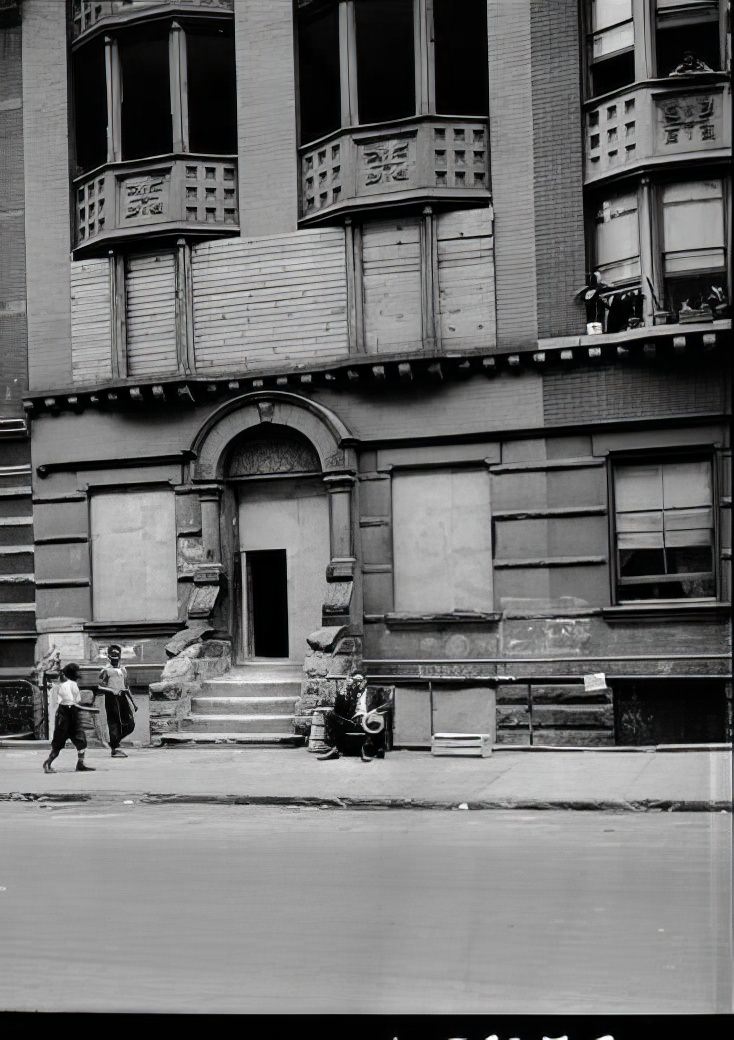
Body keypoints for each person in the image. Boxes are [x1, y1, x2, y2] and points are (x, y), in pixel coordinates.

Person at [317, 672, 391, 763]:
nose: (358, 683)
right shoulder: (352, 692)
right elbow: (339, 711)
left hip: (368, 721)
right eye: (355, 680)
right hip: (353, 722)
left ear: (365, 681)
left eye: (360, 680)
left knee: (376, 719)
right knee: (330, 715)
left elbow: (387, 705)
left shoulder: (375, 691)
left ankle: (367, 751)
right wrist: (343, 694)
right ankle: (335, 749)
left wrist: (374, 713)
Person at [42, 662, 96, 774]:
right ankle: (48, 763)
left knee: (77, 737)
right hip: (66, 713)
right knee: (66, 738)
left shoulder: (61, 685)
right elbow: (77, 699)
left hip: (67, 712)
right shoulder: (69, 685)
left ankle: (79, 764)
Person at [98, 644, 137, 759]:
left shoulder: (123, 670)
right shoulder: (105, 670)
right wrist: (112, 690)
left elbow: (126, 687)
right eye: (113, 656)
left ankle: (114, 742)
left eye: (117, 656)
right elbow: (100, 686)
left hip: (122, 697)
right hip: (111, 698)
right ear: (109, 657)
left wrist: (133, 703)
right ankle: (115, 749)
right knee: (114, 722)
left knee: (130, 724)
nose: (115, 658)